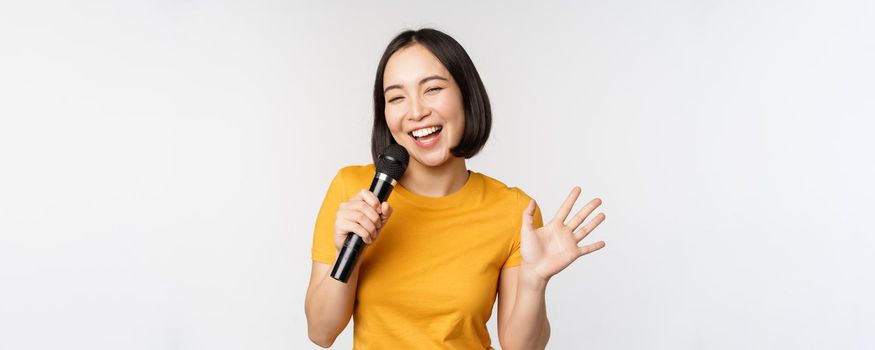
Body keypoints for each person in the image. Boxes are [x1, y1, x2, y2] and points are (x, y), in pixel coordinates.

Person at [304, 28, 607, 349]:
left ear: (465, 94)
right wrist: (346, 250)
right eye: (396, 97)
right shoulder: (354, 191)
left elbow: (522, 347)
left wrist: (533, 283)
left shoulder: (513, 209)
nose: (416, 111)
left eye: (432, 89)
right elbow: (321, 332)